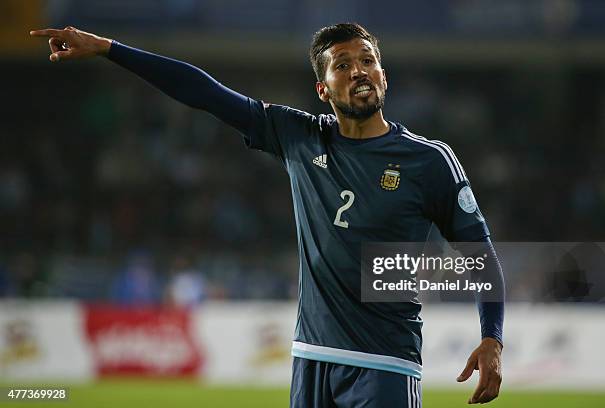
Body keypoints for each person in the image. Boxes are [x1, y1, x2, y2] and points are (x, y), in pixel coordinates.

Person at [30, 23, 504, 406]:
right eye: (344, 65)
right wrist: (111, 49)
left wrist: (492, 338)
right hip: (310, 359)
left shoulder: (430, 160)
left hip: (385, 363)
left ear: (384, 76)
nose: (360, 71)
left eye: (368, 61)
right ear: (323, 88)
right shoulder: (297, 136)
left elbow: (479, 254)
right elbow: (204, 92)